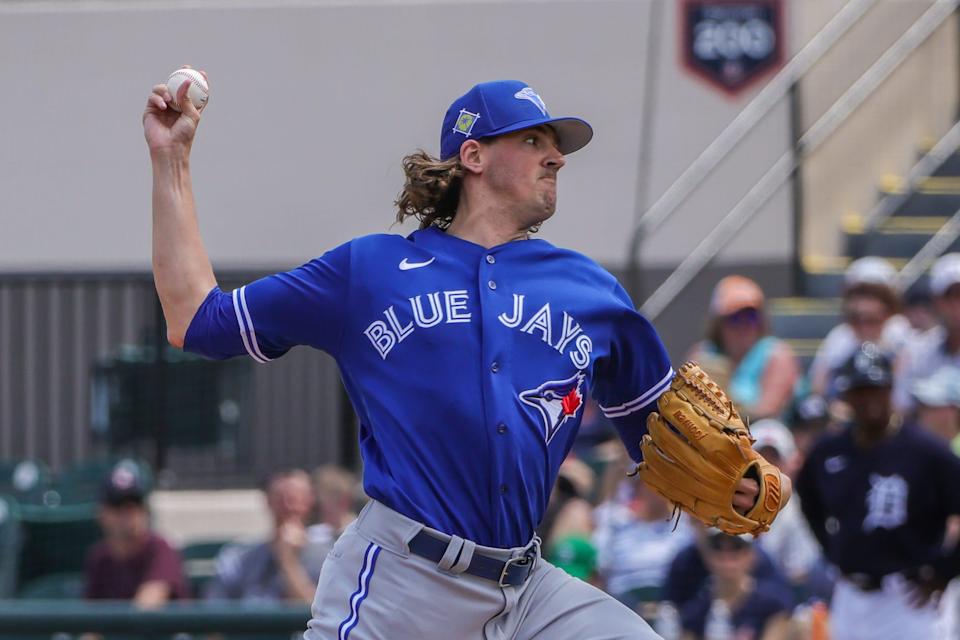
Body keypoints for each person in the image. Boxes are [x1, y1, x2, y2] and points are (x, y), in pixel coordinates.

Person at [144, 75, 787, 639]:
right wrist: (171, 160)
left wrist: (736, 474)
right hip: (401, 582)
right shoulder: (370, 270)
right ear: (472, 156)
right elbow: (196, 320)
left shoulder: (589, 289)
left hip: (526, 588)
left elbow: (662, 432)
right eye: (533, 140)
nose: (557, 157)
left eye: (556, 145)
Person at [796, 342, 960, 639]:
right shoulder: (830, 450)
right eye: (859, 390)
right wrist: (831, 550)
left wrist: (945, 571)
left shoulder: (925, 451)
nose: (867, 398)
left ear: (890, 388)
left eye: (875, 388)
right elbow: (808, 498)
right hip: (850, 594)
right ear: (845, 395)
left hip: (909, 596)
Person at [205, 469, 331, 603]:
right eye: (280, 499)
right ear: (268, 501)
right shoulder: (237, 557)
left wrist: (288, 560)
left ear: (310, 500)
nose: (288, 506)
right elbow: (214, 607)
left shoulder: (329, 557)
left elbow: (319, 614)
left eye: (295, 499)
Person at [688, 275, 799, 421]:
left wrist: (724, 405)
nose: (744, 325)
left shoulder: (777, 354)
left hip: (762, 435)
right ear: (718, 324)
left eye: (751, 316)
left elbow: (768, 411)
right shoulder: (701, 355)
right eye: (734, 318)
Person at [808, 256, 912, 400]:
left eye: (873, 294)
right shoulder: (839, 336)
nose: (863, 303)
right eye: (858, 294)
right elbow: (818, 388)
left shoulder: (900, 332)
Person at [84, 464, 188, 606]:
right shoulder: (100, 558)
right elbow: (91, 620)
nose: (128, 516)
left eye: (133, 507)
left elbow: (146, 608)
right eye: (118, 507)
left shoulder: (160, 549)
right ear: (102, 514)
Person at [748, 419, 822, 590]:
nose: (766, 469)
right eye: (758, 460)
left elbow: (799, 576)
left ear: (791, 464)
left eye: (774, 460)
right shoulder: (724, 503)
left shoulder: (802, 512)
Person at [679, 531, 792, 640]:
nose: (728, 563)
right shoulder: (696, 609)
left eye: (735, 554)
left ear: (751, 556)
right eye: (720, 554)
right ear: (709, 557)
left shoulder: (773, 603)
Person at [894, 252, 960, 412]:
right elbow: (902, 407)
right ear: (936, 301)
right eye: (950, 296)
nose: (957, 305)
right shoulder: (916, 352)